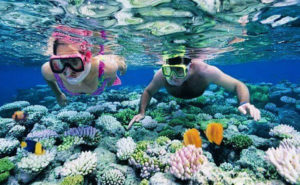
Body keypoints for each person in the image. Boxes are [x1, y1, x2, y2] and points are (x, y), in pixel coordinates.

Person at [128, 56, 261, 129]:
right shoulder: (161, 75)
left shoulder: (205, 71)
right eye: (168, 70)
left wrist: (244, 102)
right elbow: (148, 91)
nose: (173, 76)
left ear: (189, 68)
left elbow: (238, 85)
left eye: (179, 71)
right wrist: (141, 112)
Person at [42, 29, 127, 106]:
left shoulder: (107, 68)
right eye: (61, 61)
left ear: (86, 58)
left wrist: (120, 68)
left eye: (74, 61)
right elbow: (48, 79)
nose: (68, 70)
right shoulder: (49, 70)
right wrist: (58, 94)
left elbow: (116, 68)